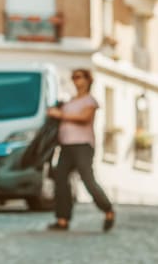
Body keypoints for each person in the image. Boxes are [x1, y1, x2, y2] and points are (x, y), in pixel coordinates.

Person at [46, 68, 115, 232]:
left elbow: (84, 118)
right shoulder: (69, 101)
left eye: (79, 77)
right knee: (60, 179)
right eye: (73, 78)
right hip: (66, 145)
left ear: (87, 80)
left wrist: (60, 115)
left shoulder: (89, 101)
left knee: (87, 179)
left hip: (83, 145)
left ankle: (108, 210)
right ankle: (62, 219)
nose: (75, 81)